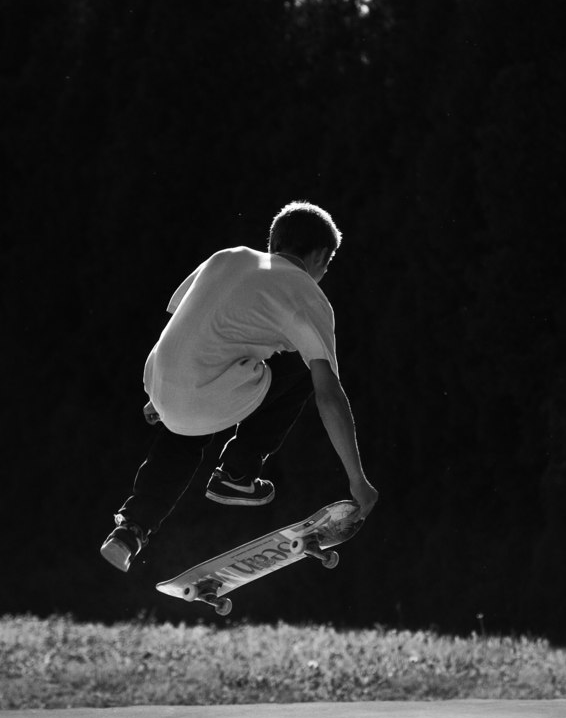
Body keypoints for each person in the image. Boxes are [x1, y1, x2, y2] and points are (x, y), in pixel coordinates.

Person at [100, 201, 379, 571]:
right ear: (321, 257)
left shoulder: (227, 257)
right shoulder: (308, 294)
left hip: (161, 381)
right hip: (206, 392)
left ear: (274, 242)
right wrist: (357, 479)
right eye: (327, 265)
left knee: (187, 430)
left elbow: (187, 321)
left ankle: (132, 529)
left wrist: (160, 395)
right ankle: (238, 472)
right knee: (310, 363)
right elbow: (329, 395)